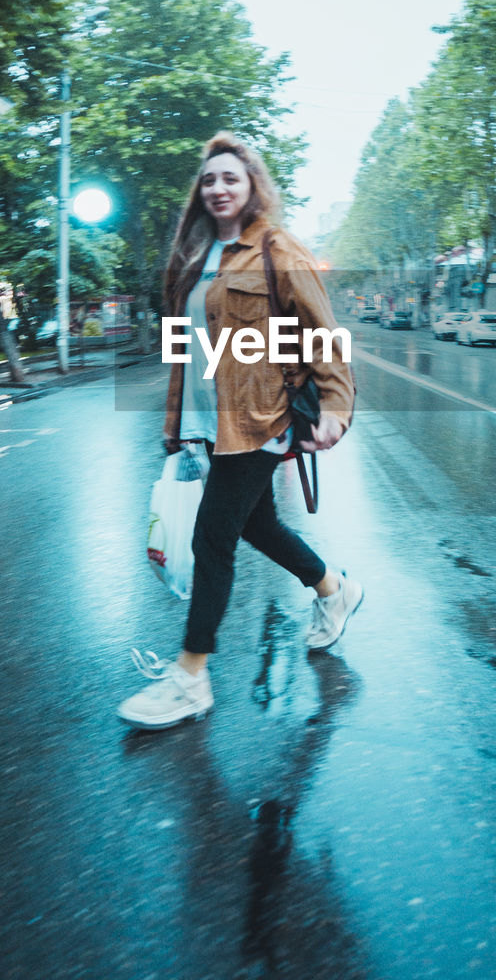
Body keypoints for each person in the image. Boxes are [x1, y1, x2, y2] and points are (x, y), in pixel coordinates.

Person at [117, 132, 361, 730]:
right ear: (199, 193)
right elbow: (187, 349)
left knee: (212, 539)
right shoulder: (196, 257)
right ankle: (334, 589)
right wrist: (177, 425)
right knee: (257, 525)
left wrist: (335, 406)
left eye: (231, 178)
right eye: (209, 180)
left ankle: (191, 677)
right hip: (211, 423)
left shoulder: (278, 250)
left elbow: (323, 332)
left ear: (253, 186)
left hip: (263, 418)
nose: (219, 188)